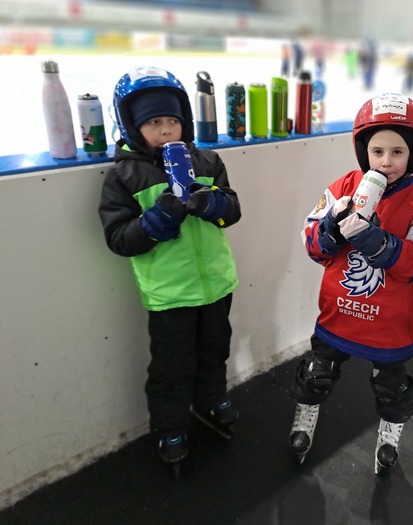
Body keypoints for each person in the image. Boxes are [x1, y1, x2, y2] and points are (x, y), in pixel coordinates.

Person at [289, 93, 413, 474]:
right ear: (364, 151)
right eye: (377, 151)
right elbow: (311, 243)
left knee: (391, 387)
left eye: (397, 152)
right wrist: (330, 229)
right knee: (318, 373)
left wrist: (384, 245)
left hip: (389, 323)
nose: (386, 162)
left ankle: (391, 430)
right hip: (339, 312)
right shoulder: (345, 185)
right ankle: (306, 412)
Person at [98, 67, 242, 477]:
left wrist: (212, 204)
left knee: (214, 350)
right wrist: (155, 221)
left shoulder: (207, 161)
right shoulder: (124, 176)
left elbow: (232, 210)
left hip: (216, 284)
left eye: (173, 120)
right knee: (172, 367)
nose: (166, 130)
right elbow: (119, 239)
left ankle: (211, 400)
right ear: (132, 126)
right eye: (153, 122)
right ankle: (171, 426)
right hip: (170, 294)